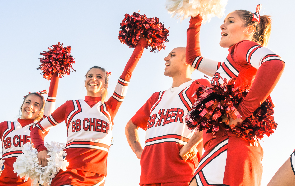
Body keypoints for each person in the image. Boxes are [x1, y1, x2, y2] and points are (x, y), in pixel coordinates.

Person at [186, 7, 285, 186]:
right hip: (220, 149)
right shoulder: (227, 65)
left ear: (250, 29)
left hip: (229, 150)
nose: (222, 26)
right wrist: (195, 18)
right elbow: (193, 59)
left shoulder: (242, 47)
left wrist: (243, 111)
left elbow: (273, 63)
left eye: (230, 21)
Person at [31, 38, 147, 186]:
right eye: (90, 76)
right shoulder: (70, 106)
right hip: (67, 174)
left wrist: (141, 43)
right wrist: (41, 149)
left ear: (105, 84)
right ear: (85, 81)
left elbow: (126, 74)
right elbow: (37, 128)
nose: (94, 79)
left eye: (99, 77)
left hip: (96, 178)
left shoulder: (110, 107)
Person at [125, 42, 211, 184]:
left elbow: (213, 115)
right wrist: (139, 152)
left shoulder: (199, 85)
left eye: (172, 55)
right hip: (149, 177)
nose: (165, 59)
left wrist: (190, 146)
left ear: (187, 60)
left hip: (182, 175)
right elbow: (130, 126)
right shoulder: (156, 97)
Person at [0, 92, 45, 185]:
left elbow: (51, 105)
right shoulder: (5, 126)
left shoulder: (39, 128)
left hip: (27, 183)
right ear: (22, 105)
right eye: (27, 102)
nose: (30, 106)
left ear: (40, 111)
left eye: (36, 105)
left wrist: (55, 77)